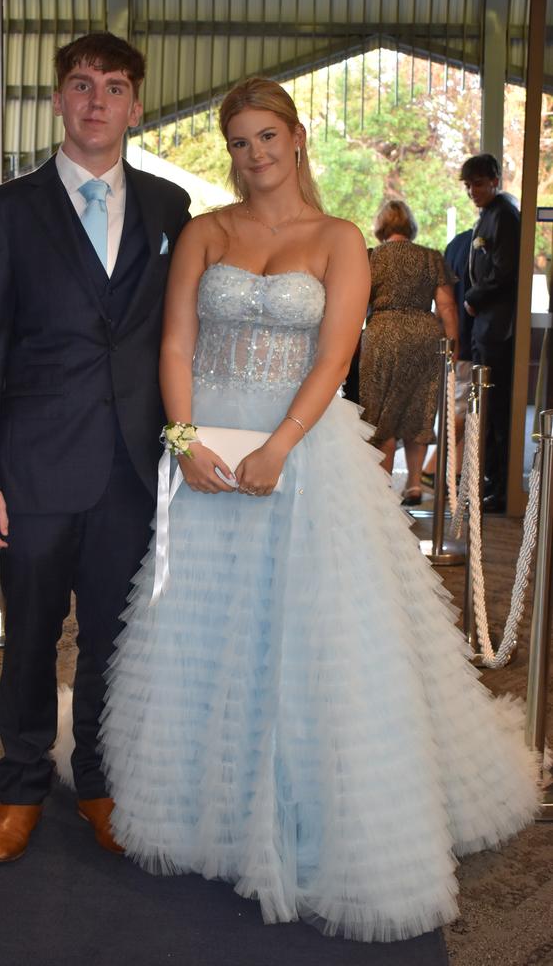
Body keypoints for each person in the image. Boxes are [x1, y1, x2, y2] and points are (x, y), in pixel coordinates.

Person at [99, 77, 538, 944]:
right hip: (209, 447)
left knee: (317, 636)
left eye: (267, 137)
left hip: (302, 452)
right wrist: (185, 439)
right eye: (238, 142)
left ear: (297, 139)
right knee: (205, 632)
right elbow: (177, 338)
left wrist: (280, 445)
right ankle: (202, 814)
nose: (253, 155)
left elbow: (337, 353)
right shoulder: (203, 231)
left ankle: (318, 817)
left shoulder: (341, 238)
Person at [0, 32, 191, 862]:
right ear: (59, 99)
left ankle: (95, 780)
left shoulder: (169, 209)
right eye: (83, 85)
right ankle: (20, 787)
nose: (98, 101)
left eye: (115, 87)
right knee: (27, 638)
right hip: (31, 469)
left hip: (132, 467)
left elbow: (179, 336)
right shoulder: (10, 209)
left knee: (110, 638)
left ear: (135, 105)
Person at [358, 200, 459, 506]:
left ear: (381, 227)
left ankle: (382, 488)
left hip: (382, 335)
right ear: (410, 226)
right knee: (419, 411)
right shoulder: (431, 257)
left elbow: (359, 305)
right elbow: (446, 305)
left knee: (381, 413)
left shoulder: (370, 258)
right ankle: (414, 485)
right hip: (424, 337)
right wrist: (452, 344)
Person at [461, 153, 520, 513]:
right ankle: (492, 482)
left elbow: (504, 270)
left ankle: (502, 487)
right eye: (468, 186)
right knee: (488, 410)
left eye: (478, 184)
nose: (472, 191)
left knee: (498, 412)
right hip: (487, 327)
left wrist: (473, 297)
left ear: (495, 180)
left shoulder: (505, 216)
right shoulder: (490, 216)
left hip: (499, 329)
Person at [422, 228, 475, 488]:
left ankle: (446, 470)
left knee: (459, 405)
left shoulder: (455, 244)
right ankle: (434, 467)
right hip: (466, 337)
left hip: (458, 338)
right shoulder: (463, 245)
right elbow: (447, 303)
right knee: (462, 407)